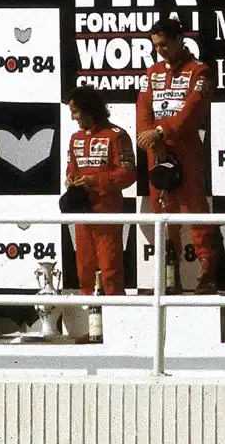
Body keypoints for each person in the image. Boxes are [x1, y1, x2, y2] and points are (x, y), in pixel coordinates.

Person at [135, 17, 216, 294]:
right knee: (162, 211)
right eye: (155, 45)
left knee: (195, 210)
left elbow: (191, 112)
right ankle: (170, 275)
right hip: (156, 151)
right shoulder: (152, 73)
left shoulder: (199, 71)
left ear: (180, 39)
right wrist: (150, 139)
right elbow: (143, 109)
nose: (160, 50)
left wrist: (160, 131)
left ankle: (208, 273)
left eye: (164, 44)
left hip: (186, 148)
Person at [64, 85, 137, 297]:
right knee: (84, 270)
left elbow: (128, 174)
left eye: (75, 112)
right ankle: (92, 326)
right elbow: (71, 170)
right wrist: (71, 180)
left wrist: (95, 181)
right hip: (82, 211)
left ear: (89, 109)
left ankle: (116, 327)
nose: (73, 117)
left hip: (107, 212)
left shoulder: (117, 135)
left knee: (110, 271)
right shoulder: (75, 138)